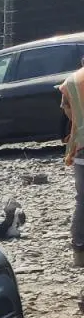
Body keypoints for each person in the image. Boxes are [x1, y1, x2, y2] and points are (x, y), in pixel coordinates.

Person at [62, 55, 84, 266]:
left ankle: (79, 249)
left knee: (82, 200)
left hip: (80, 148)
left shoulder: (70, 82)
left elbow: (69, 113)